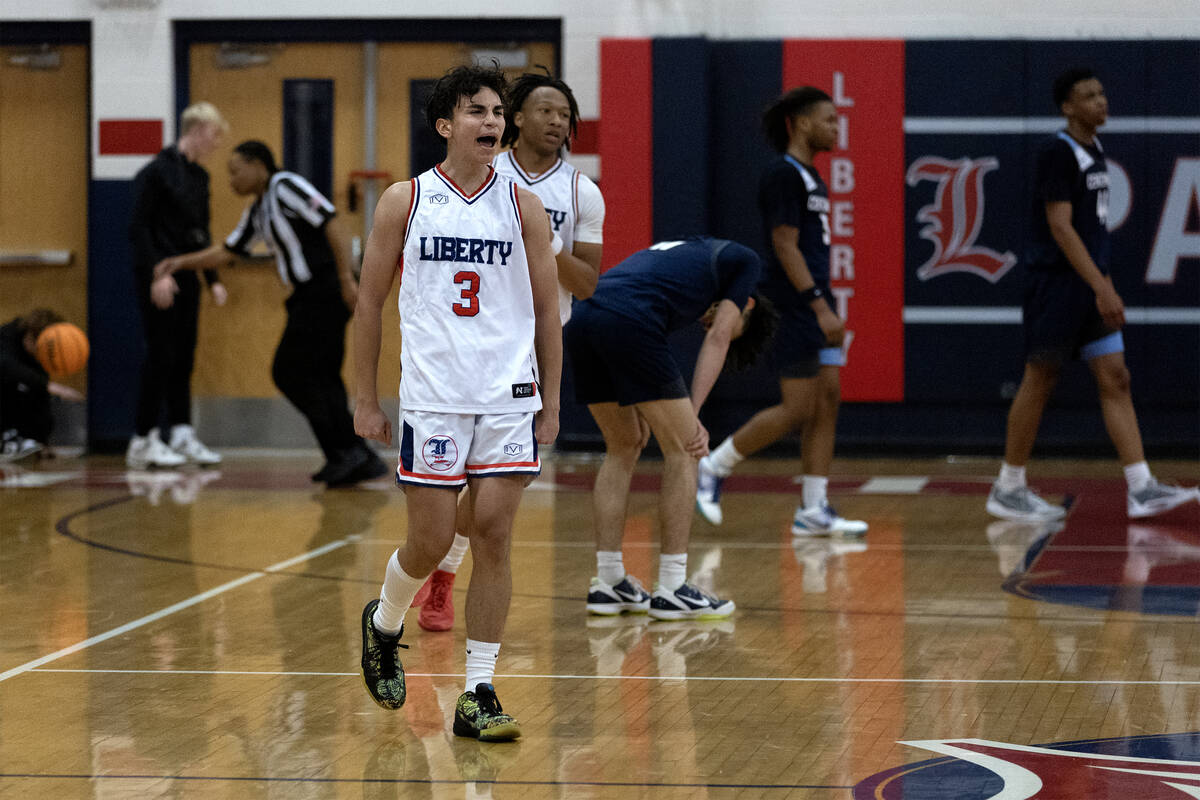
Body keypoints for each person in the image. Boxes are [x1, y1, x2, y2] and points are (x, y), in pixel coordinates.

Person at [353, 63, 561, 742]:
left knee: (495, 531)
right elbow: (369, 303)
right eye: (477, 111)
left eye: (499, 112)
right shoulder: (405, 201)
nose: (493, 122)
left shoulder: (523, 206)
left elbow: (546, 312)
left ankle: (478, 691)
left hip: (507, 393)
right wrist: (365, 396)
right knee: (432, 539)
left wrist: (551, 399)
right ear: (445, 125)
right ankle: (385, 624)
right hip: (436, 396)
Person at [411, 68, 605, 633]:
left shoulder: (577, 192)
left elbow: (588, 283)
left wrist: (543, 245)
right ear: (514, 117)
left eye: (565, 115)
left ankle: (446, 574)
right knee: (459, 500)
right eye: (544, 110)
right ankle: (439, 573)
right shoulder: (468, 179)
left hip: (526, 356)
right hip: (456, 360)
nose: (556, 122)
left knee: (493, 505)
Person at [986, 67, 1198, 521]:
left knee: (1116, 376)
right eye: (1089, 96)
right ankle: (1008, 486)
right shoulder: (1057, 152)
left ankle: (1141, 487)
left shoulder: (1094, 150)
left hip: (1087, 285)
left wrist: (1101, 282)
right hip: (1057, 286)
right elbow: (1060, 226)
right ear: (1068, 107)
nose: (1101, 101)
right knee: (1040, 379)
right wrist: (1101, 285)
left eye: (1102, 93)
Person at [564, 237, 777, 620]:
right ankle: (674, 586)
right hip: (627, 318)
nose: (711, 323)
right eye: (730, 323)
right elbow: (718, 338)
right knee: (687, 448)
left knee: (624, 445)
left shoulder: (684, 258)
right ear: (746, 304)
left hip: (583, 317)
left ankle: (609, 582)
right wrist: (692, 414)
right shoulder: (744, 261)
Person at [154, 140, 387, 488]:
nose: (231, 181)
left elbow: (331, 223)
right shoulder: (259, 209)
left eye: (236, 171)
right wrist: (179, 263)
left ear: (259, 165)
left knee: (289, 371)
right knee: (321, 377)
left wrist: (345, 279)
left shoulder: (285, 186)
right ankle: (351, 456)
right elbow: (226, 251)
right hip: (306, 296)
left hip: (323, 289)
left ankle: (349, 452)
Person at [695, 87, 867, 537]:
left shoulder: (812, 177)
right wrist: (819, 306)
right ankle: (713, 466)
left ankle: (814, 509)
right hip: (793, 305)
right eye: (829, 120)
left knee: (827, 401)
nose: (836, 128)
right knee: (797, 408)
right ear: (803, 123)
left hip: (814, 301)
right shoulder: (783, 174)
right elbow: (784, 244)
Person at [127, 101, 228, 469]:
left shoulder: (200, 177)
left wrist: (212, 278)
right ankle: (143, 439)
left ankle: (182, 432)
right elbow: (138, 227)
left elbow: (200, 232)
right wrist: (158, 273)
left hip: (187, 274)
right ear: (198, 129)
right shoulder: (156, 172)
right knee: (160, 355)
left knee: (184, 355)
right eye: (215, 135)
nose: (217, 143)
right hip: (159, 277)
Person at [0, 309, 84, 461]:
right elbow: (7, 366)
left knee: (32, 390)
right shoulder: (6, 338)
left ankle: (19, 439)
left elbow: (41, 401)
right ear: (28, 333)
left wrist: (41, 442)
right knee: (14, 381)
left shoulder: (38, 358)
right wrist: (49, 385)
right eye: (35, 341)